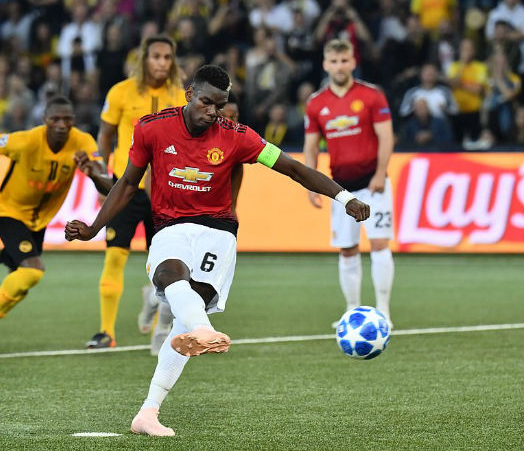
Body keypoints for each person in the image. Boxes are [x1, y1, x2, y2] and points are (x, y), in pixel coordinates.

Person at [65, 65, 370, 436]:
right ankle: (204, 328)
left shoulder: (238, 136)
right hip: (170, 226)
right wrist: (94, 227)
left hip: (218, 232)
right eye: (206, 103)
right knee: (170, 275)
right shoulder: (151, 128)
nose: (213, 112)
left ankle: (148, 412)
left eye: (220, 106)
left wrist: (345, 197)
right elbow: (128, 183)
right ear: (189, 94)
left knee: (184, 320)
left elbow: (292, 168)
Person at [0, 96, 111, 359]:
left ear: (73, 121)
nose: (62, 125)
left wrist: (93, 172)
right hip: (9, 212)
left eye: (67, 119)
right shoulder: (25, 141)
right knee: (33, 270)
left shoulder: (83, 143)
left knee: (20, 285)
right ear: (45, 120)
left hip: (39, 221)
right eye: (55, 119)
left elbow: (109, 186)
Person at [85, 35, 187, 353]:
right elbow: (104, 135)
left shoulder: (180, 95)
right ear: (144, 59)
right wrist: (102, 178)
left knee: (165, 263)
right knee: (114, 256)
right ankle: (106, 331)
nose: (162, 63)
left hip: (166, 191)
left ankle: (160, 330)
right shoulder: (120, 92)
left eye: (167, 57)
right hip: (125, 187)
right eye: (156, 56)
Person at [303, 39, 395, 328]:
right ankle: (352, 310)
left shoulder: (371, 95)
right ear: (325, 64)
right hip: (340, 188)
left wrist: (380, 173)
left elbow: (386, 136)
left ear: (353, 62)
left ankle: (383, 311)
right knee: (347, 249)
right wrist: (311, 183)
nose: (339, 66)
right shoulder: (316, 103)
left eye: (344, 60)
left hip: (373, 183)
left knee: (379, 244)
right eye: (334, 61)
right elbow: (311, 147)